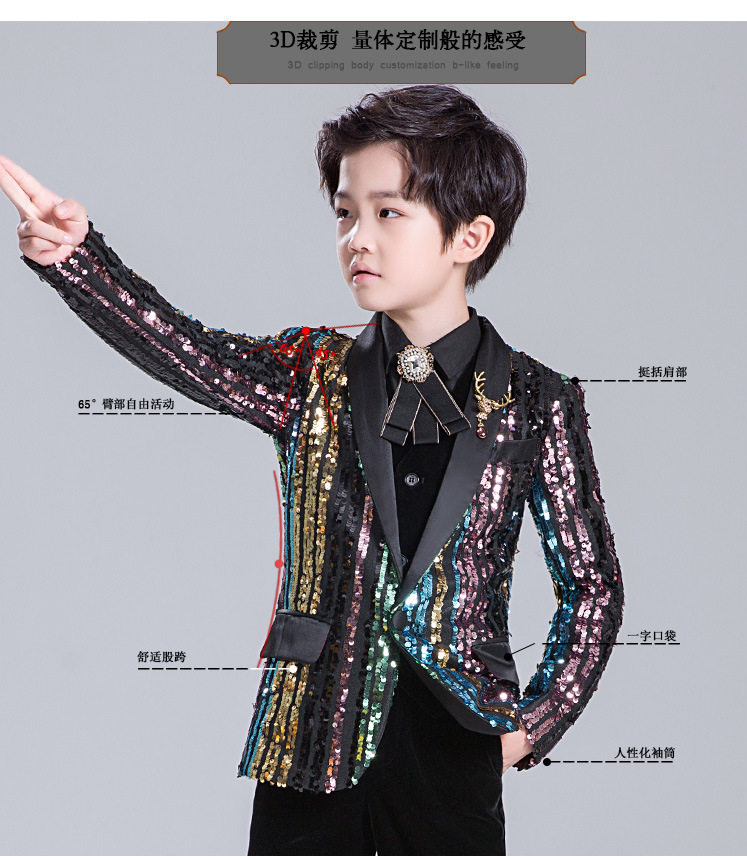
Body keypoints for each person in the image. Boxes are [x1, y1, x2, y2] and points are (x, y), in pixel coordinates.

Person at [2, 84, 625, 856]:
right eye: (345, 214)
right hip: (310, 731)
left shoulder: (537, 399)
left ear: (470, 235)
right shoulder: (310, 371)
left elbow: (593, 584)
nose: (357, 238)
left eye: (388, 212)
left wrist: (532, 726)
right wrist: (78, 261)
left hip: (455, 741)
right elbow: (190, 354)